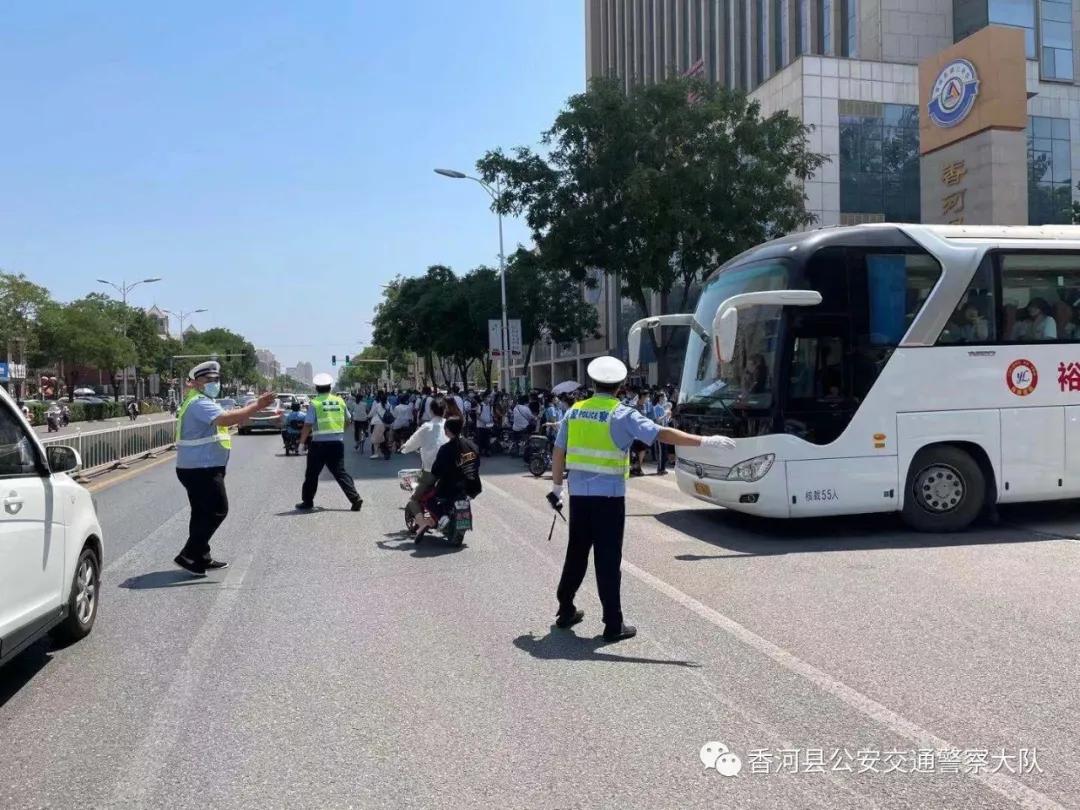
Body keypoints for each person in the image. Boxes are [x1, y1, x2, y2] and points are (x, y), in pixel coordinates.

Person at [546, 356, 737, 642]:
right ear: (621, 385)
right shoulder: (622, 414)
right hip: (609, 499)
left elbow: (559, 451)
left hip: (580, 498)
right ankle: (613, 623)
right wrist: (704, 441)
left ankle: (565, 609)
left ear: (593, 383)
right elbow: (661, 433)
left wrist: (556, 488)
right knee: (607, 560)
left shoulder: (575, 411)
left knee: (576, 553)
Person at [174, 361, 276, 575]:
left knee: (201, 513)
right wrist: (257, 405)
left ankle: (200, 558)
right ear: (195, 383)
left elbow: (225, 418)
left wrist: (244, 412)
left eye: (216, 379)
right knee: (218, 510)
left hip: (199, 465)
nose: (214, 383)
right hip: (201, 467)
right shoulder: (200, 403)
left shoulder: (203, 401)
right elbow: (225, 419)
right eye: (208, 380)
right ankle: (189, 554)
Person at [296, 373, 363, 511]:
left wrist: (301, 443)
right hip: (337, 444)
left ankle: (307, 502)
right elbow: (348, 420)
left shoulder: (315, 403)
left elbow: (308, 425)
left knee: (312, 474)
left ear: (316, 388)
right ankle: (355, 498)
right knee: (340, 472)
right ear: (330, 387)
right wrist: (340, 431)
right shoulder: (340, 401)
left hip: (318, 445)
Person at [426, 415, 482, 530]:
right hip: (473, 487)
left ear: (447, 430)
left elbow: (436, 470)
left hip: (452, 488)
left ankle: (442, 517)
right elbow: (477, 464)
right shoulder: (473, 446)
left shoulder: (446, 449)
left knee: (428, 499)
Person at [400, 397, 447, 527]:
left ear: (430, 411)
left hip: (430, 472)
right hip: (451, 472)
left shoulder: (427, 427)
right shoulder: (450, 426)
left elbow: (412, 442)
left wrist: (404, 448)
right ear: (445, 410)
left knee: (414, 499)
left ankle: (422, 523)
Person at [651, 392, 672, 474]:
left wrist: (668, 417)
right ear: (660, 398)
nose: (665, 398)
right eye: (664, 397)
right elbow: (657, 420)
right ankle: (660, 469)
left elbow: (665, 421)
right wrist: (665, 415)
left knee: (664, 451)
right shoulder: (656, 408)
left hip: (665, 431)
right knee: (660, 451)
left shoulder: (663, 408)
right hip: (659, 432)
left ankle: (663, 468)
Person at [369, 391, 392, 460]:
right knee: (382, 438)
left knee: (376, 439)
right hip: (386, 424)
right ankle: (383, 452)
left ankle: (378, 453)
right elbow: (392, 413)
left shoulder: (377, 405)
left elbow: (372, 413)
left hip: (378, 423)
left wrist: (367, 416)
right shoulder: (389, 405)